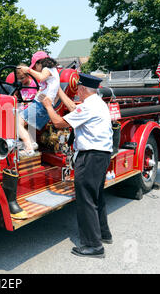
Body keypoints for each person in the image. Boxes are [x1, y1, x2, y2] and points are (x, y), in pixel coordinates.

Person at [41, 73, 113, 258]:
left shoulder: (89, 107)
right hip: (101, 156)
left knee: (86, 200)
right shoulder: (97, 102)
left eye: (78, 90)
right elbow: (73, 107)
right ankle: (103, 234)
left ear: (81, 89)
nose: (77, 93)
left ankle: (93, 246)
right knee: (97, 197)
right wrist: (57, 89)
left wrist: (48, 105)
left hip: (90, 157)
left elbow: (58, 123)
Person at [17, 52, 60, 157]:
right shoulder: (53, 73)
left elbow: (41, 77)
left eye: (35, 66)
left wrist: (28, 70)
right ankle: (32, 143)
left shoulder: (47, 69)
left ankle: (29, 148)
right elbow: (56, 92)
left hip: (41, 105)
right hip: (42, 104)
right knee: (22, 122)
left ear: (39, 63)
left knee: (17, 123)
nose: (35, 69)